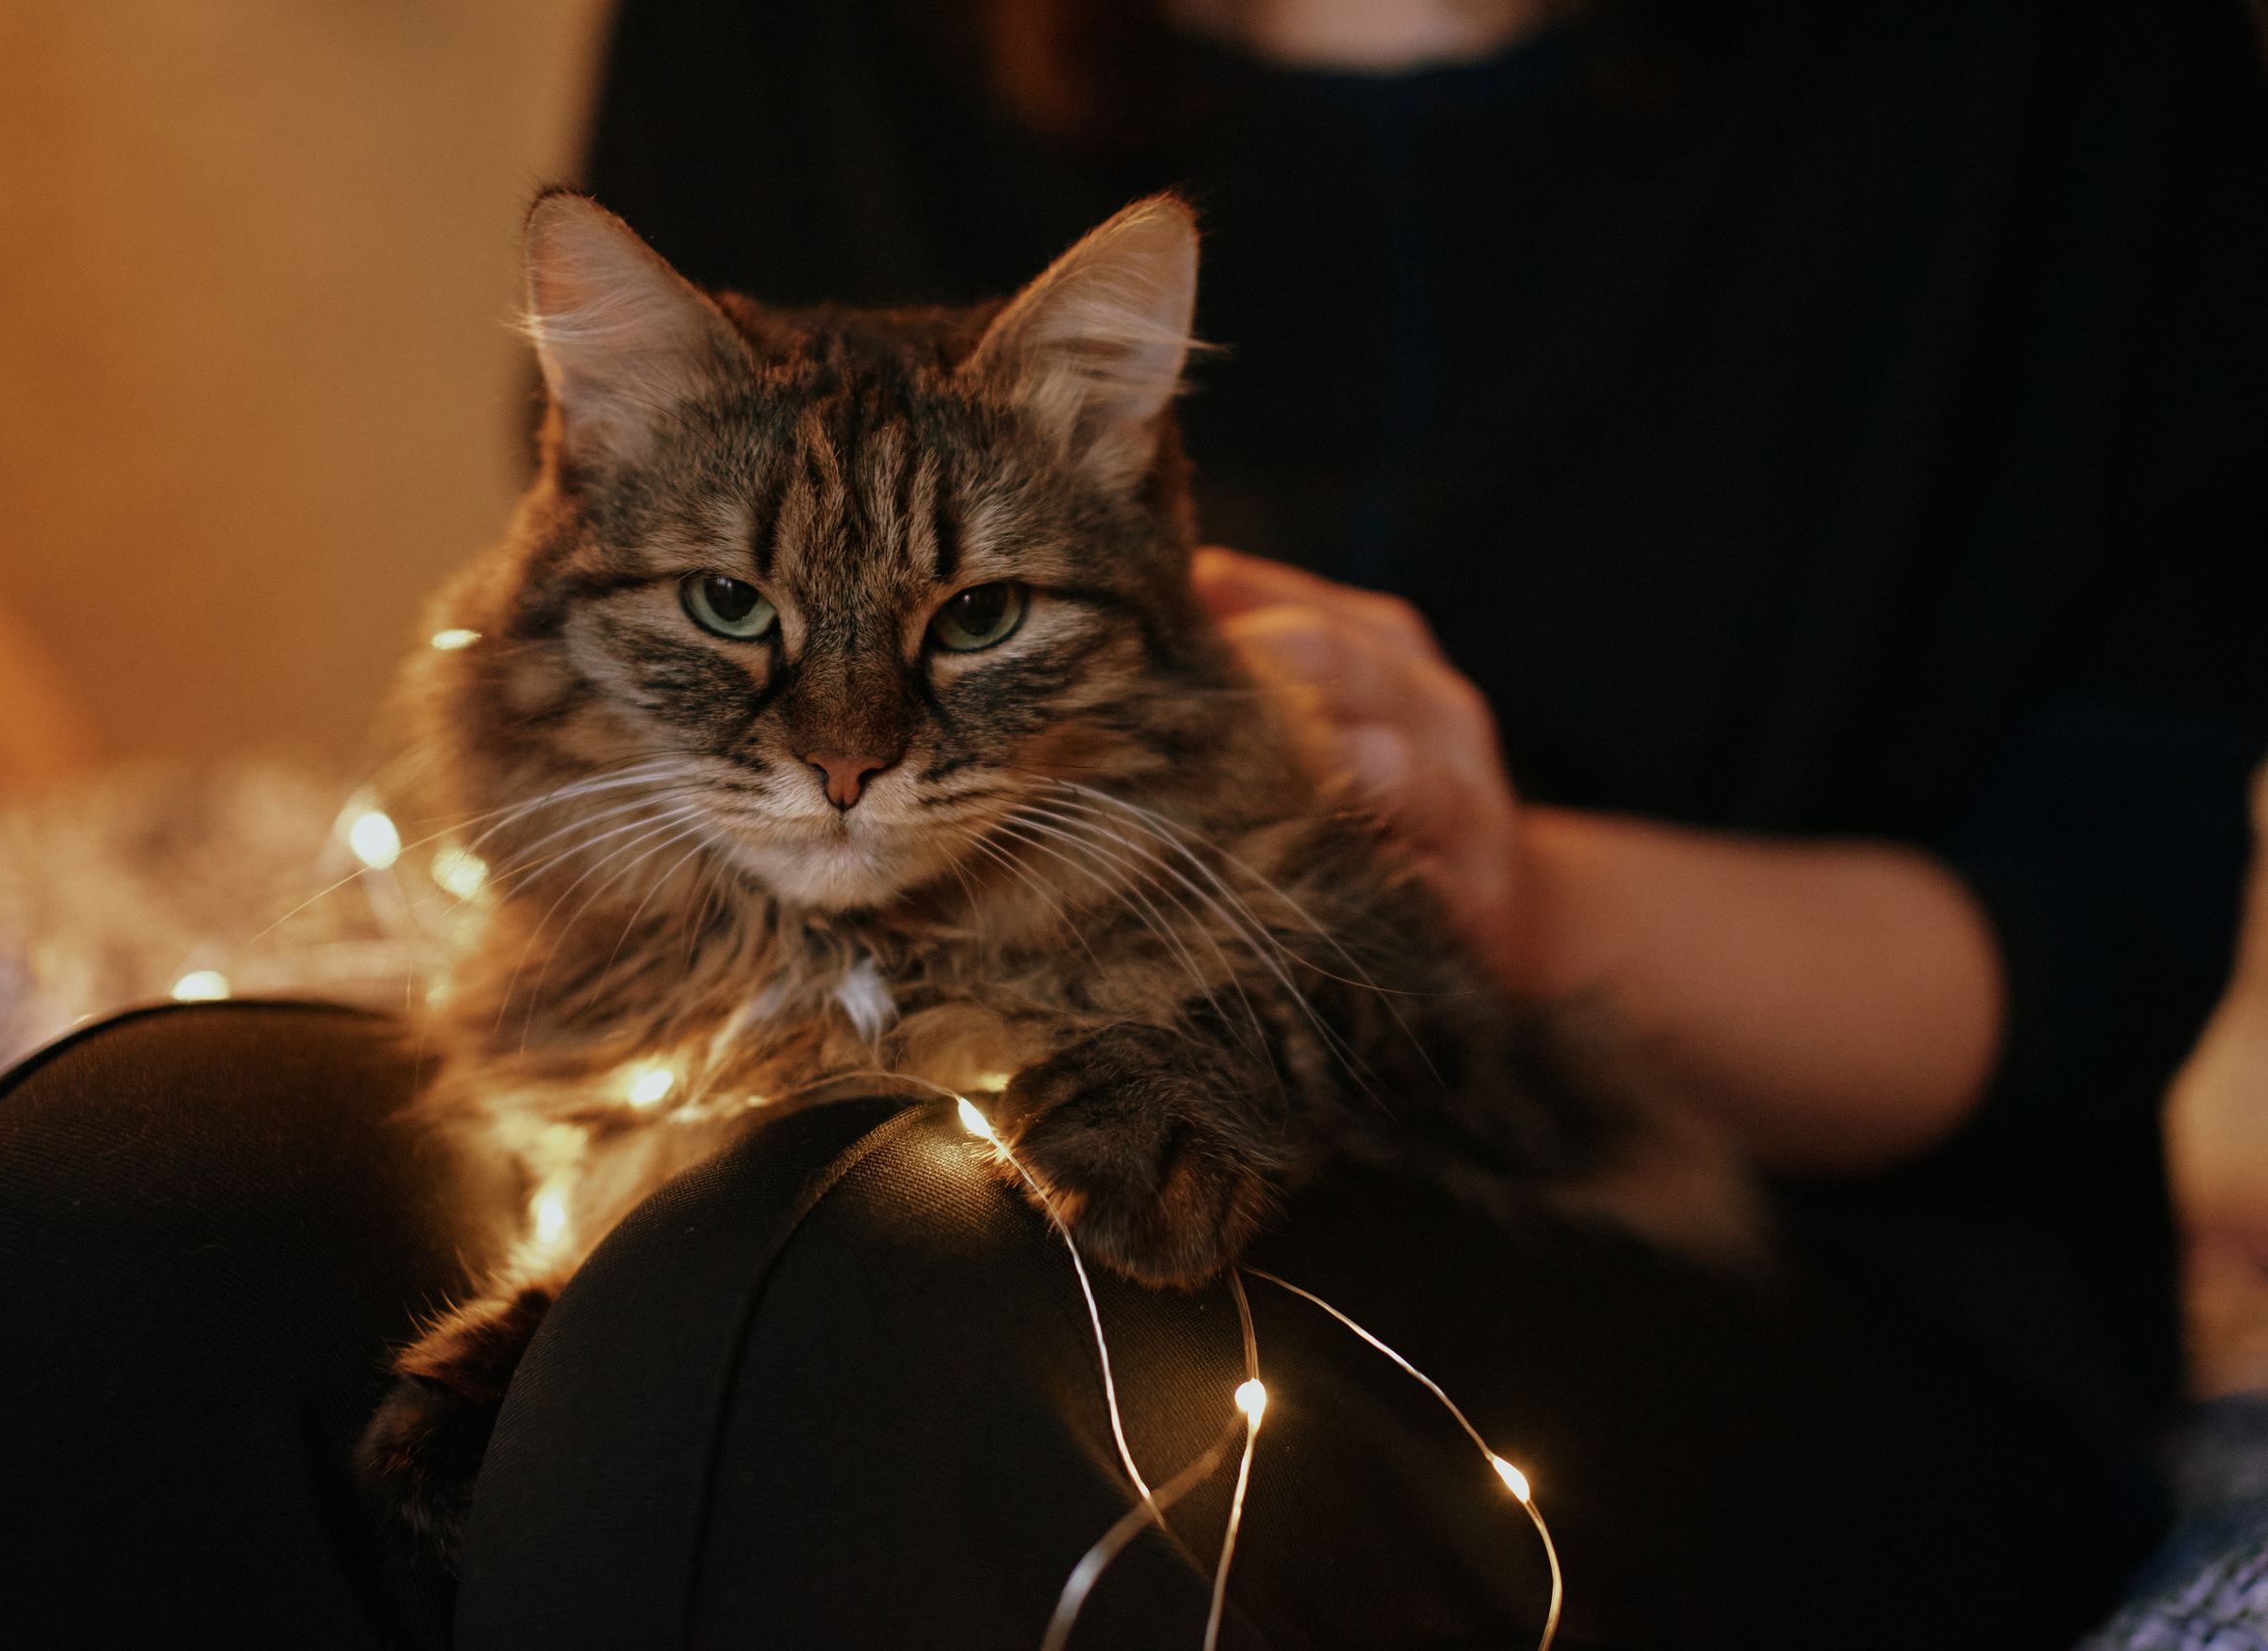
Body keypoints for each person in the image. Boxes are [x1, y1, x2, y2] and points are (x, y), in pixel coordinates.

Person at [585, 0, 2268, 1558]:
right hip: (836, 1122)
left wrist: (1501, 887)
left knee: (881, 1341)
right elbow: (600, 635)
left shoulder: (2073, 61)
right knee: (322, 1246)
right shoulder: (767, 39)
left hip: (1797, 1290)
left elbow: (2098, 935)